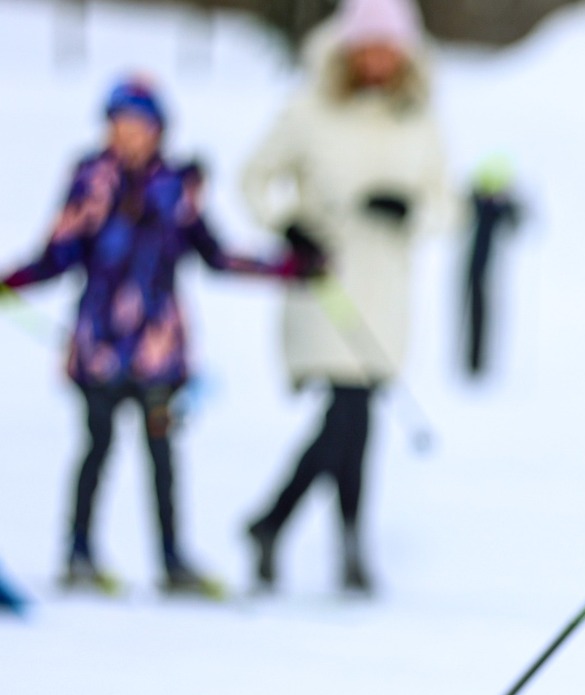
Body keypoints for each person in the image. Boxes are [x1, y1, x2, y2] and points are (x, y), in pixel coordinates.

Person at [1, 78, 306, 599]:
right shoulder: (91, 181)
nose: (129, 135)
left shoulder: (175, 189)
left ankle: (172, 558)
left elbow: (215, 255)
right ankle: (79, 552)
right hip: (99, 346)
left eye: (140, 125)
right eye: (120, 124)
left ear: (159, 130)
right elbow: (57, 254)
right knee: (97, 446)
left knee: (161, 452)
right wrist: (11, 282)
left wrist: (286, 268)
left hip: (158, 349)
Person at [240, 0, 447, 596]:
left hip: (386, 292)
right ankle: (334, 541)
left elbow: (445, 202)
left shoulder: (418, 119)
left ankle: (281, 527)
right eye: (368, 46)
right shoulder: (309, 110)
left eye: (389, 48)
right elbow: (254, 179)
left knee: (353, 423)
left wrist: (410, 211)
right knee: (349, 413)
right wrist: (288, 225)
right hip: (325, 285)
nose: (378, 59)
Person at [461, 155, 522, 379]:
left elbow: (517, 226)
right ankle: (471, 363)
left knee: (490, 314)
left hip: (494, 272)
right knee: (471, 313)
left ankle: (484, 364)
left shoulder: (504, 211)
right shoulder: (473, 205)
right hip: (473, 267)